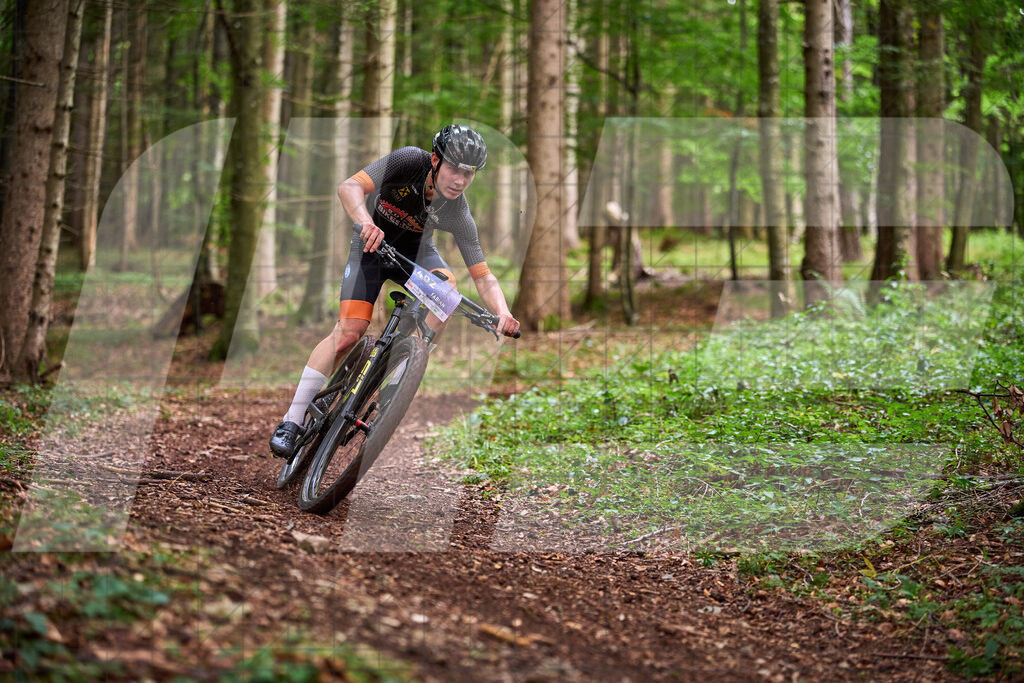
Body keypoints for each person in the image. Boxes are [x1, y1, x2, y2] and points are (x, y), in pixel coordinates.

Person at [269, 124, 521, 458]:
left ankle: (404, 372)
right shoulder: (409, 160)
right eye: (454, 169)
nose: (460, 180)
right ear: (435, 160)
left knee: (448, 292)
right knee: (349, 332)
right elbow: (349, 187)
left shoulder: (458, 211)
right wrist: (366, 222)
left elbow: (483, 275)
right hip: (370, 250)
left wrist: (503, 312)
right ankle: (292, 419)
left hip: (414, 258)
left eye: (469, 173)